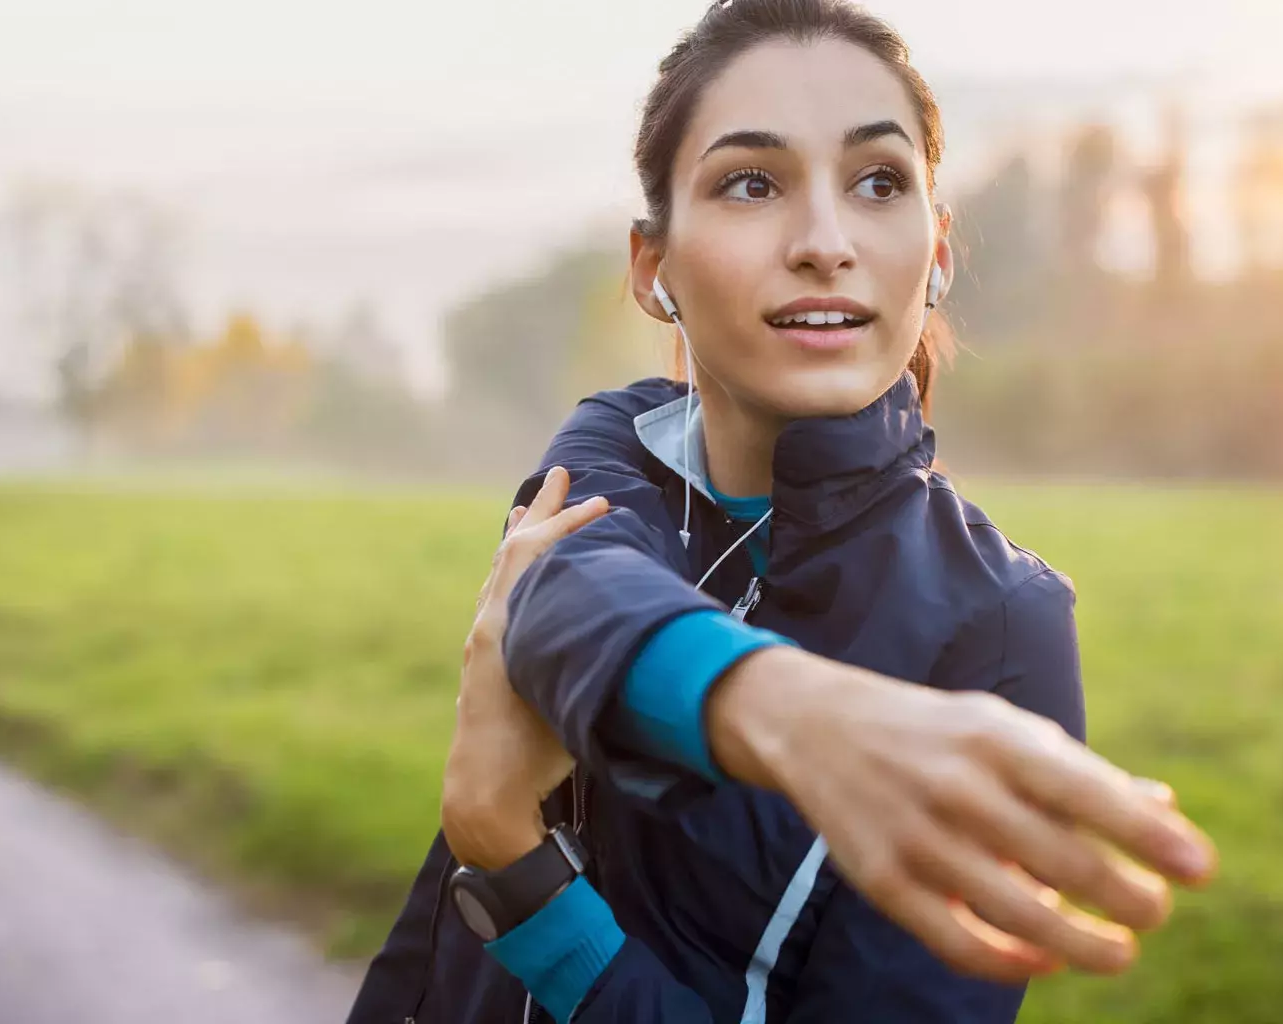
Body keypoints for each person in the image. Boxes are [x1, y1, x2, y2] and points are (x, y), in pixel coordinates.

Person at [347, 2, 1217, 1021]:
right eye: (752, 183)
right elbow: (562, 587)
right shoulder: (616, 443)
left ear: (936, 251)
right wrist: (788, 710)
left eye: (878, 182)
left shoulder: (1003, 625)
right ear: (650, 266)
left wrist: (519, 872)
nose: (824, 241)